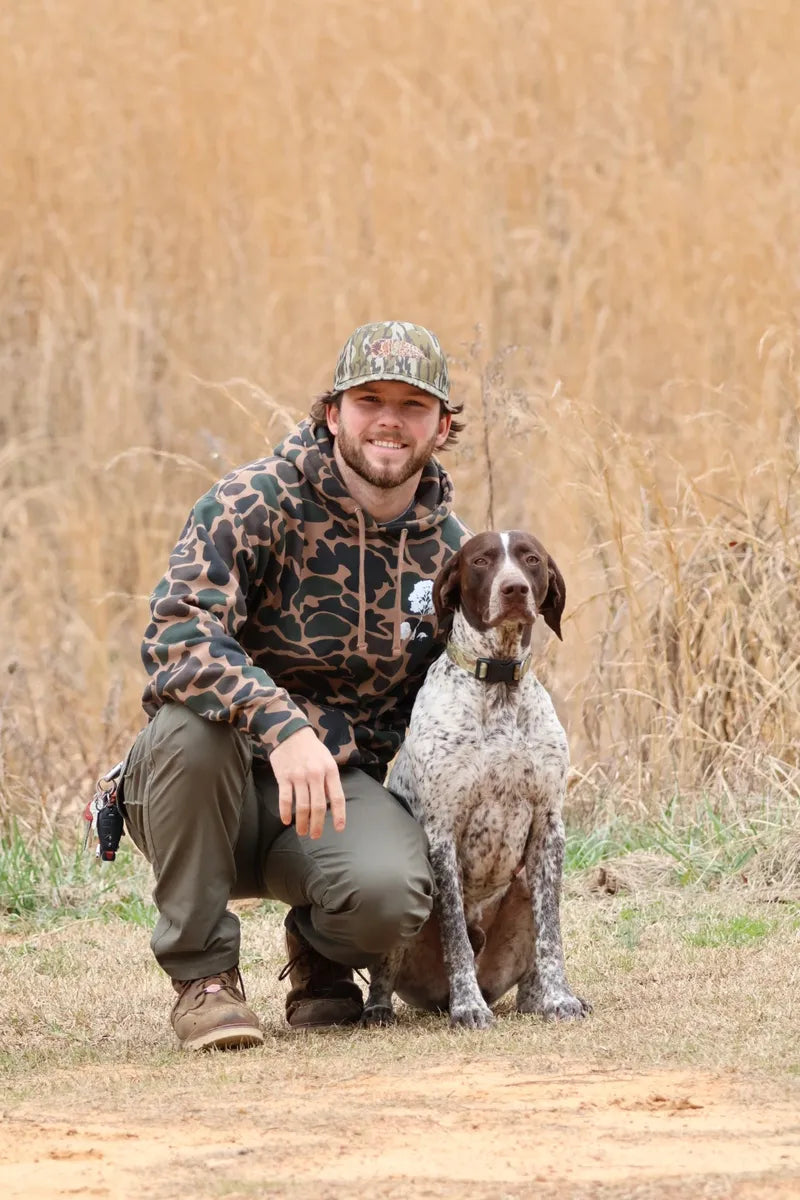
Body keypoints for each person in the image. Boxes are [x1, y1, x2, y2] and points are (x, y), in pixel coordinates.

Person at [118, 320, 470, 1050]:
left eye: (412, 405)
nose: (389, 421)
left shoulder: (452, 553)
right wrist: (283, 727)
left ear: (442, 425)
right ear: (333, 413)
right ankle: (205, 980)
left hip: (329, 792)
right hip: (201, 782)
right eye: (369, 400)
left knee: (392, 895)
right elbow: (178, 632)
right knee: (191, 729)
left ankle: (321, 951)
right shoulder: (254, 499)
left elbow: (462, 693)